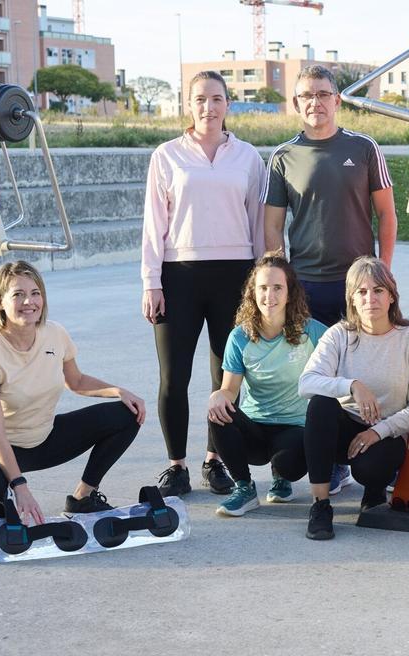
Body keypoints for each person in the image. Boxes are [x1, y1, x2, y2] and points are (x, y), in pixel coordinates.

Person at [265, 64, 398, 495]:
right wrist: (280, 281)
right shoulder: (284, 156)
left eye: (323, 94)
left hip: (359, 285)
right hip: (307, 285)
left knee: (368, 368)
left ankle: (380, 447)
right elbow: (273, 229)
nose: (315, 102)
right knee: (314, 376)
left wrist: (384, 271)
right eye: (307, 95)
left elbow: (387, 214)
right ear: (297, 103)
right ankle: (328, 462)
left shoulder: (363, 148)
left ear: (337, 100)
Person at [141, 70, 265, 498]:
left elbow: (257, 223)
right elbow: (153, 225)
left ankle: (215, 461)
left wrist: (261, 279)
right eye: (199, 99)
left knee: (225, 376)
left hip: (236, 275)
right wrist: (151, 282)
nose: (208, 107)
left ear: (228, 104)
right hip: (179, 276)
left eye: (216, 99)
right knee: (173, 376)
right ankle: (176, 465)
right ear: (188, 105)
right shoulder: (166, 155)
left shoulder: (249, 157)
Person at [0, 262, 145, 524]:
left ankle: (83, 498)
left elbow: (77, 381)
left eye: (35, 293)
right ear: (0, 302)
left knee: (128, 413)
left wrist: (118, 391)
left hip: (42, 438)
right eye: (18, 294)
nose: (29, 301)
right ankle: (1, 500)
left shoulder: (54, 334)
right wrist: (20, 486)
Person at [297, 257, 409, 540]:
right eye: (362, 291)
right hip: (343, 428)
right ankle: (320, 505)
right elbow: (306, 383)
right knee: (320, 404)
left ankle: (375, 491)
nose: (371, 298)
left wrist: (377, 432)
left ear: (392, 296)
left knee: (372, 469)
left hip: (386, 433)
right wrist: (352, 385)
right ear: (352, 299)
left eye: (378, 290)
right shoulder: (339, 335)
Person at [209, 253, 328, 517]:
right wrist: (219, 395)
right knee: (217, 413)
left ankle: (281, 478)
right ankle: (244, 488)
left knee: (288, 465)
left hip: (294, 426)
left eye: (277, 288)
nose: (269, 296)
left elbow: (338, 370)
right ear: (253, 292)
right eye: (263, 288)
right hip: (255, 427)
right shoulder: (239, 336)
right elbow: (230, 389)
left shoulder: (313, 331)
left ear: (290, 293)